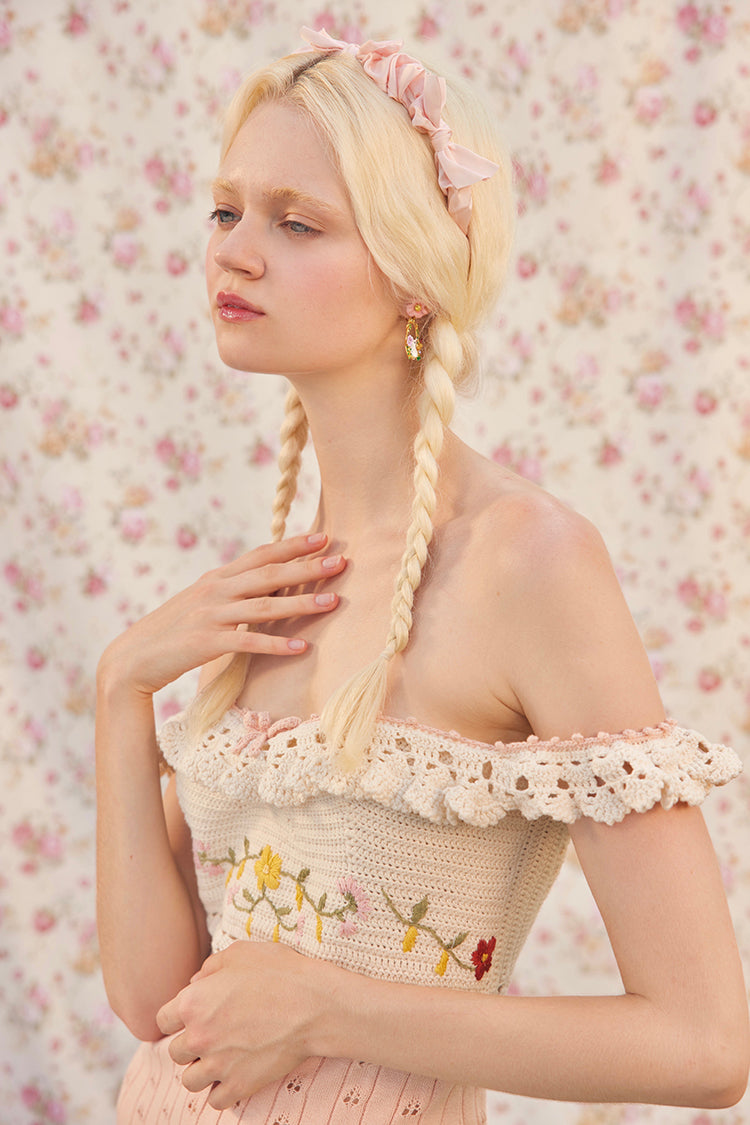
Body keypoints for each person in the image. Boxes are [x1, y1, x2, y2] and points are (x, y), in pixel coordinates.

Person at [96, 27, 749, 1124]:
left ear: (413, 276)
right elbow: (156, 1003)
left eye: (296, 222)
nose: (235, 253)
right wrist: (120, 690)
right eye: (225, 211)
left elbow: (704, 1045)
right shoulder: (271, 587)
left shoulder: (529, 561)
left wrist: (328, 1011)